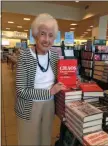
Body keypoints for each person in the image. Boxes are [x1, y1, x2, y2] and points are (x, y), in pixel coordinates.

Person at [15, 13, 66, 146]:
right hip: (29, 106)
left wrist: (69, 81)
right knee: (29, 141)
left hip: (49, 105)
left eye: (50, 35)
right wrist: (49, 92)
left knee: (45, 140)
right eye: (43, 34)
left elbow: (57, 80)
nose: (46, 39)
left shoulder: (54, 56)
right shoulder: (24, 56)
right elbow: (21, 91)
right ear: (35, 34)